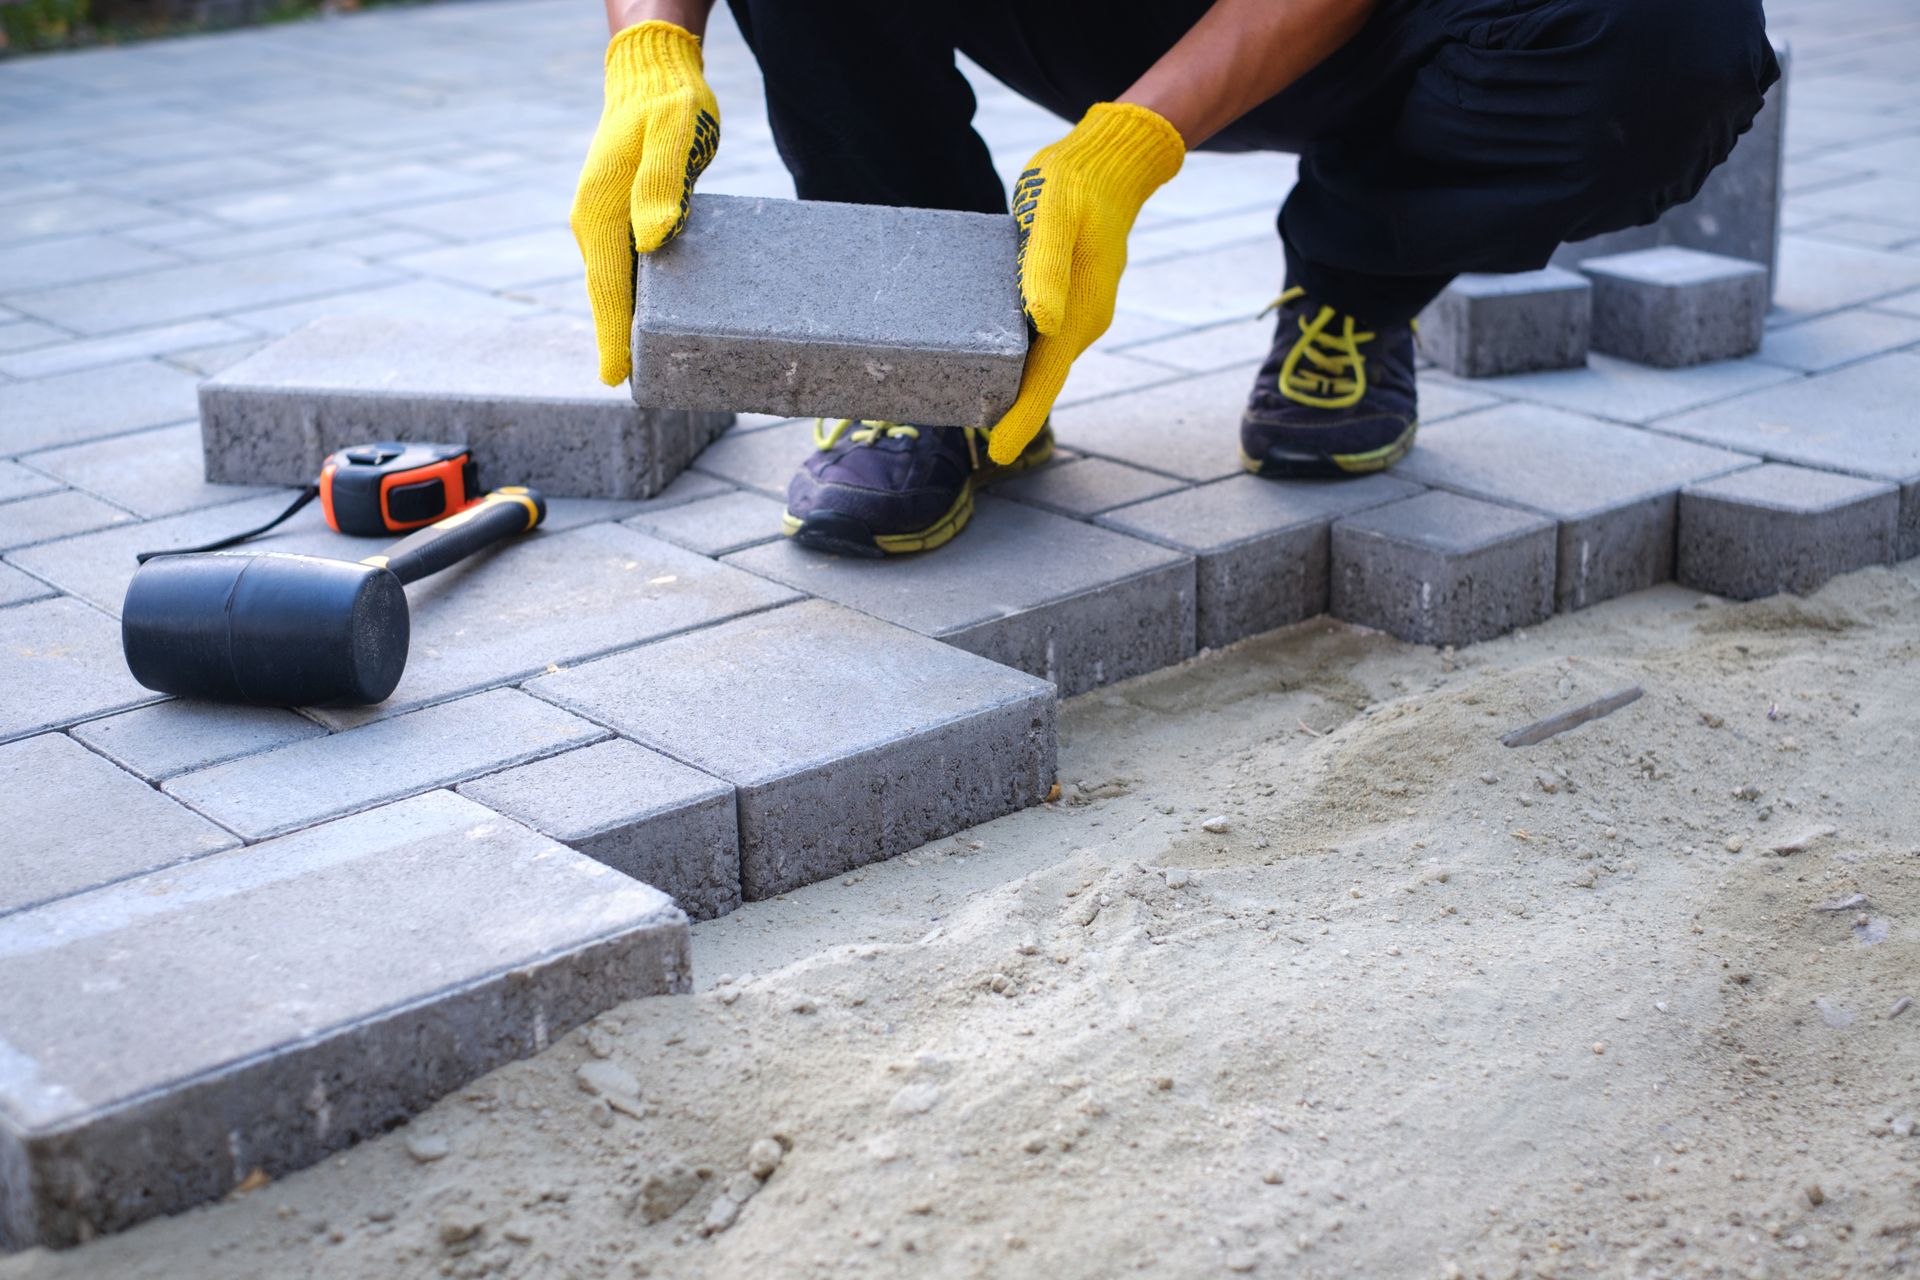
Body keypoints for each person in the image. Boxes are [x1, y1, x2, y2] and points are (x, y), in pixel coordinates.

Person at [572, 0, 1778, 558]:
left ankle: (1354, 290)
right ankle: (929, 350)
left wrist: (1133, 143)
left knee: (1667, 36)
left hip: (1354, 26)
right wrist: (651, 45)